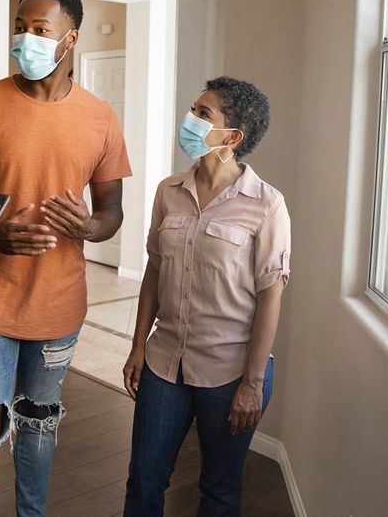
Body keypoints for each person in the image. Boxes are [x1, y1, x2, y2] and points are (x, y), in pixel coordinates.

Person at [0, 0, 132, 515]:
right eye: (20, 28)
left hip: (59, 307)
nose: (26, 39)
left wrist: (90, 228)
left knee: (39, 422)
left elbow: (112, 212)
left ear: (70, 37)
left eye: (40, 30)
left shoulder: (101, 118)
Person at [122, 77, 290, 516]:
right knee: (143, 481)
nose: (189, 120)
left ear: (232, 137)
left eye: (202, 114)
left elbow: (271, 297)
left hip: (232, 371)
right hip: (164, 362)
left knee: (219, 488)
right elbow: (154, 271)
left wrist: (252, 384)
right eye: (192, 109)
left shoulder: (266, 206)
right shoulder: (168, 192)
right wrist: (138, 345)